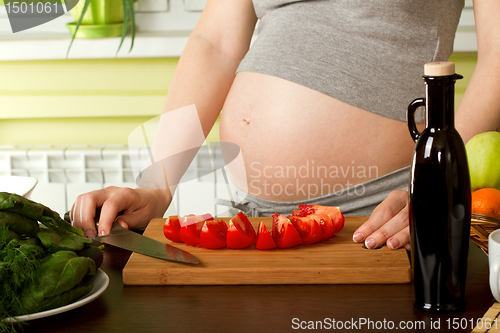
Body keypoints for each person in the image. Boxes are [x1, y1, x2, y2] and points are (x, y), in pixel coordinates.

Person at [70, 0, 500, 251]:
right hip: (254, 222)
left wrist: (433, 185)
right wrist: (157, 185)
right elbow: (215, 43)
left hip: (380, 219)